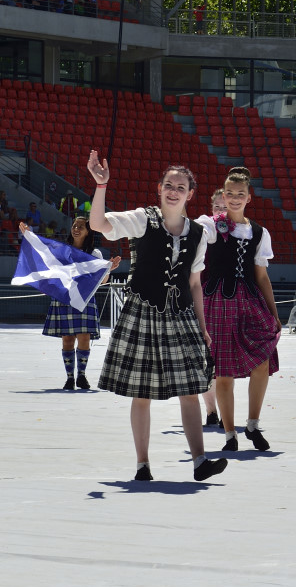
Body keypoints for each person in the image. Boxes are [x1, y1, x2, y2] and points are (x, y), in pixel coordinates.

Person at [85, 150, 227, 483]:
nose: (173, 190)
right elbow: (98, 224)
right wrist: (101, 186)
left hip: (180, 315)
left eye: (180, 186)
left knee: (191, 388)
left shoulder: (198, 235)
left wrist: (202, 328)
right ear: (159, 188)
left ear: (190, 194)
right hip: (142, 311)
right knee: (142, 392)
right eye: (168, 184)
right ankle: (142, 465)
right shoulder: (141, 219)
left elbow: (194, 283)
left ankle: (199, 462)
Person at [196, 167, 281, 453]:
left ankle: (253, 424)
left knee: (263, 362)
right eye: (229, 193)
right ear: (223, 194)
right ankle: (230, 433)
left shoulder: (259, 232)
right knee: (224, 371)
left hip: (249, 301)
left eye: (239, 194)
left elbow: (262, 276)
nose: (234, 198)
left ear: (248, 197)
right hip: (217, 301)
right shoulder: (210, 224)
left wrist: (274, 312)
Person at [20, 217, 121, 390]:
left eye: (81, 226)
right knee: (67, 339)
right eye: (74, 225)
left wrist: (107, 270)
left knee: (84, 337)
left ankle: (81, 376)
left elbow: (102, 281)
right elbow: (44, 257)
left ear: (88, 231)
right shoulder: (63, 250)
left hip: (84, 300)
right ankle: (69, 377)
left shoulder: (95, 253)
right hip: (64, 298)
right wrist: (31, 238)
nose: (76, 228)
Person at [199, 188, 225, 428]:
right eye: (216, 206)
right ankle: (211, 412)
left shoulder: (244, 232)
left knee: (224, 364)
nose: (220, 211)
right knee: (206, 361)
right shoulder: (205, 229)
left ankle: (225, 410)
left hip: (229, 302)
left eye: (224, 207)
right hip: (204, 300)